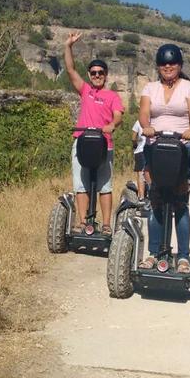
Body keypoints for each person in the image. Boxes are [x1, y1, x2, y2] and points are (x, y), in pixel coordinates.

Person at [138, 43, 190, 272]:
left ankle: (183, 257)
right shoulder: (150, 88)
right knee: (156, 200)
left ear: (179, 65)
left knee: (180, 201)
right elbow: (144, 113)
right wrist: (146, 127)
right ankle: (154, 253)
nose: (168, 66)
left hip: (181, 147)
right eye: (164, 63)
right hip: (155, 147)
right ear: (158, 66)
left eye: (172, 63)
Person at [64, 31, 124, 234]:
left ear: (106, 75)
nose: (97, 75)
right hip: (82, 142)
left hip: (103, 144)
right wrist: (68, 46)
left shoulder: (112, 96)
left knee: (104, 185)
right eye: (93, 73)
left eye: (100, 72)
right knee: (81, 185)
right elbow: (71, 70)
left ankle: (106, 225)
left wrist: (112, 125)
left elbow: (118, 116)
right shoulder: (85, 91)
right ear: (90, 75)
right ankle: (83, 222)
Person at [131, 119, 147, 201]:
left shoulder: (138, 121)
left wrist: (135, 145)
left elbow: (133, 137)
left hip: (140, 150)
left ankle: (141, 197)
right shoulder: (156, 120)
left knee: (140, 173)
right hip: (153, 149)